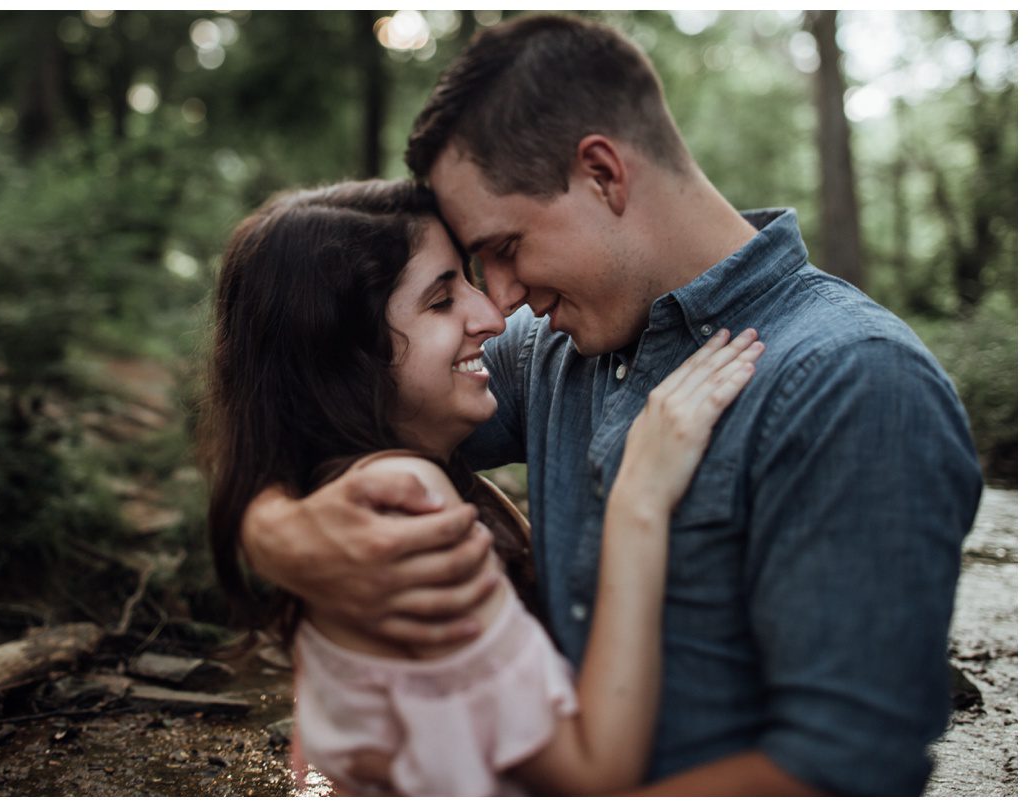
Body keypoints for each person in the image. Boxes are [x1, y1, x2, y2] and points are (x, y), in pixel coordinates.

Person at [240, 14, 983, 796]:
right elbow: (313, 400)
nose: (500, 298)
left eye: (504, 248)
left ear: (602, 173)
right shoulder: (547, 349)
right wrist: (284, 535)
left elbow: (842, 769)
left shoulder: (852, 383)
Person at [197, 179, 763, 795]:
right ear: (345, 358)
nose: (493, 316)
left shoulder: (381, 469)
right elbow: (595, 771)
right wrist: (639, 500)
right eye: (441, 302)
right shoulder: (404, 499)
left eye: (468, 280)